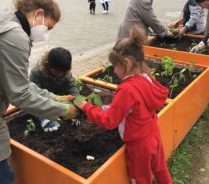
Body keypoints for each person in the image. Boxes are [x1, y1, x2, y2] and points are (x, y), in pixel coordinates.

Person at [0, 0, 79, 184]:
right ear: (39, 14)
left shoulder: (5, 20)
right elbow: (20, 94)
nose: (47, 34)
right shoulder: (14, 36)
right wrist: (63, 110)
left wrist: (53, 97)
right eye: (48, 27)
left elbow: (19, 83)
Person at [74, 27, 173, 184]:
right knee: (160, 169)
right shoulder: (146, 76)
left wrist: (86, 106)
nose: (113, 70)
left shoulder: (127, 89)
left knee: (140, 179)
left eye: (115, 66)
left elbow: (109, 120)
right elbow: (139, 104)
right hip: (153, 133)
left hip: (139, 145)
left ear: (126, 63)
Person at [30, 47, 79, 132]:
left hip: (59, 99)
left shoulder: (64, 70)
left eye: (64, 72)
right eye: (57, 72)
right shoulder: (36, 73)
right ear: (48, 65)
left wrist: (77, 105)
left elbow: (71, 86)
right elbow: (33, 97)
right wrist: (42, 115)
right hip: (44, 102)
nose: (61, 74)